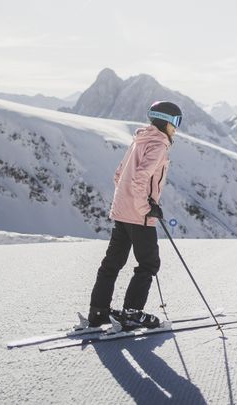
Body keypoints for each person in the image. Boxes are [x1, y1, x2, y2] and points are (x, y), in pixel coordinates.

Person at [85, 101, 183, 330]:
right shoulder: (158, 145)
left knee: (112, 263)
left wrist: (132, 203)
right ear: (165, 121)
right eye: (176, 122)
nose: (176, 128)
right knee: (149, 263)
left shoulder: (139, 140)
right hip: (139, 216)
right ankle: (131, 313)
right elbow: (140, 178)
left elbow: (119, 175)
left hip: (122, 211)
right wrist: (145, 208)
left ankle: (98, 311)